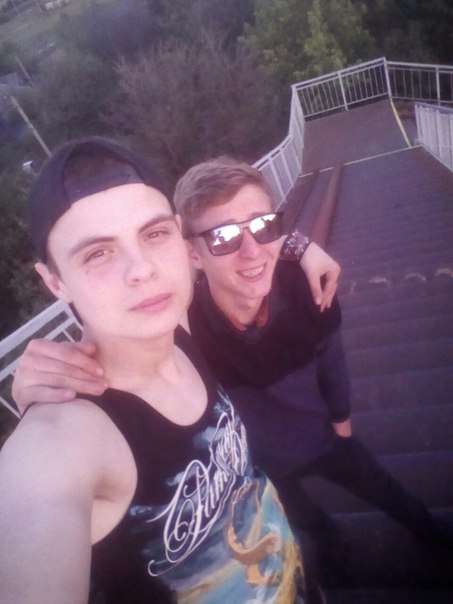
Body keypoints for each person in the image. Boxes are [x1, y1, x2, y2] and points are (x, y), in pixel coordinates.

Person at [14, 155, 453, 587]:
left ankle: (428, 531)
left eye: (263, 227)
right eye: (97, 253)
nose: (142, 269)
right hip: (265, 465)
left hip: (322, 439)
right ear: (193, 253)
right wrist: (42, 387)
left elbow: (333, 362)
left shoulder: (306, 289)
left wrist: (342, 422)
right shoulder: (180, 326)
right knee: (310, 522)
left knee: (382, 488)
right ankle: (337, 563)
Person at [0, 138, 307, 604]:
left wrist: (301, 248)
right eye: (98, 253)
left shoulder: (176, 325)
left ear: (180, 240)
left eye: (154, 234)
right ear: (55, 281)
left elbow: (241, 244)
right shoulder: (64, 442)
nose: (142, 269)